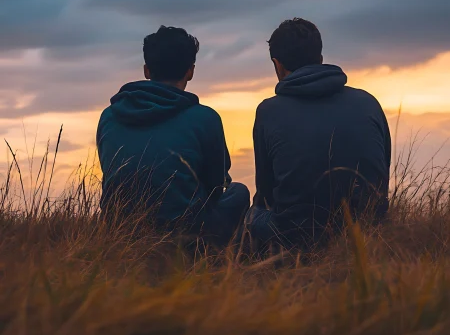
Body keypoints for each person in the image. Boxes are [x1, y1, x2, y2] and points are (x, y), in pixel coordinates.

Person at [97, 25, 249, 245]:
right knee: (238, 192)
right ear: (191, 71)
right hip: (186, 239)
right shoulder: (205, 118)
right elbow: (216, 187)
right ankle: (225, 261)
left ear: (146, 70)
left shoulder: (109, 116)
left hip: (122, 235)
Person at [246, 18, 390, 250]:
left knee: (254, 214)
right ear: (320, 59)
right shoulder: (368, 102)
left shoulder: (269, 111)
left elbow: (265, 192)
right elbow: (381, 179)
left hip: (297, 238)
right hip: (367, 232)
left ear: (277, 64)